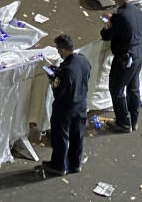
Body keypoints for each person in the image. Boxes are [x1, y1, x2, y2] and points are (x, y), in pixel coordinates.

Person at [41, 34, 91, 177]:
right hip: (81, 104)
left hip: (66, 108)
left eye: (58, 50)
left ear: (62, 50)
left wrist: (53, 78)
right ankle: (75, 164)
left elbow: (58, 91)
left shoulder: (66, 71)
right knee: (77, 135)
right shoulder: (83, 60)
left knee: (61, 136)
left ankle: (58, 165)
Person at [101, 0, 142, 132]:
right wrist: (113, 19)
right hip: (138, 54)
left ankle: (123, 122)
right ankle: (134, 119)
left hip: (125, 58)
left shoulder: (120, 16)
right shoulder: (137, 10)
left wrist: (108, 24)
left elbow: (107, 35)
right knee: (133, 87)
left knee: (116, 88)